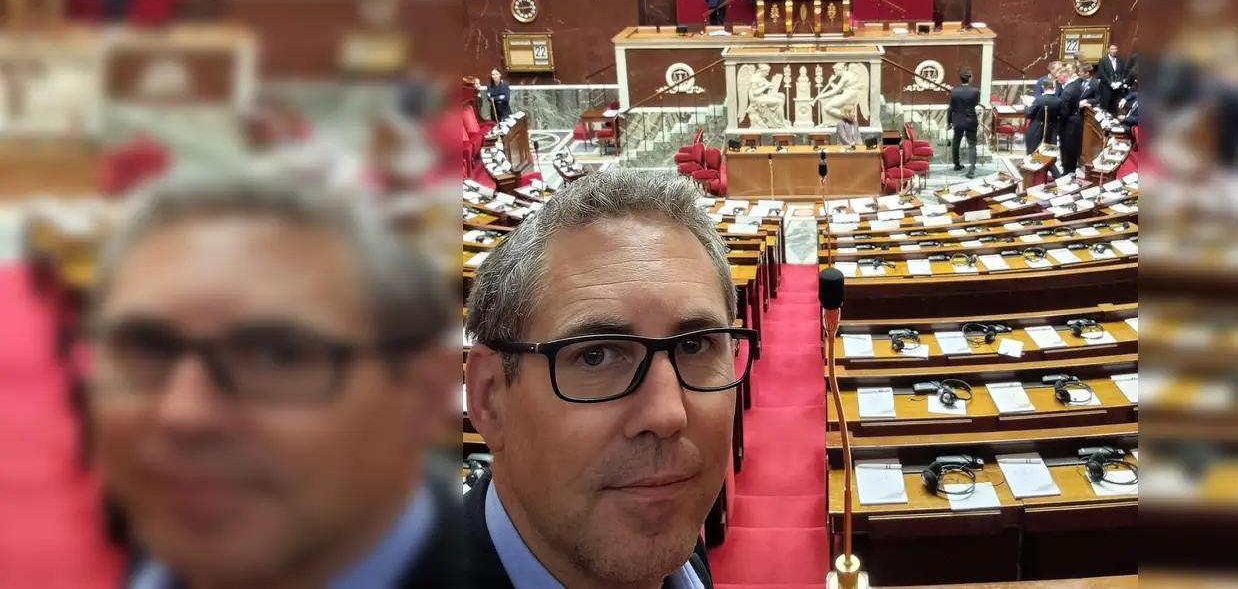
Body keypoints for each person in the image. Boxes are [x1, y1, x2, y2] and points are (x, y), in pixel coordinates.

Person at [91, 169, 462, 589]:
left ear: (427, 395)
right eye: (146, 348)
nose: (183, 414)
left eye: (278, 356)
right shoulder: (182, 524)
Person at [464, 170, 750, 588]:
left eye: (694, 346)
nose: (668, 414)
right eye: (595, 356)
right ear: (490, 398)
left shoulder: (680, 549)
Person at [946, 68, 980, 177]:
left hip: (958, 121)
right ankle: (972, 168)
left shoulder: (954, 91)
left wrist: (949, 122)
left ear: (960, 79)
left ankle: (957, 164)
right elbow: (975, 104)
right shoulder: (975, 91)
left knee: (956, 143)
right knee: (972, 145)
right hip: (971, 120)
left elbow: (951, 108)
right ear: (969, 79)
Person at [1023, 81, 1064, 156]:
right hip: (1052, 131)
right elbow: (1061, 114)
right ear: (1053, 87)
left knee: (1034, 154)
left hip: (1037, 130)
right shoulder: (1058, 101)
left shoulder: (1039, 100)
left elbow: (1028, 114)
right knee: (1048, 156)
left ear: (1043, 87)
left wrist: (1026, 105)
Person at [1097, 45, 1129, 109]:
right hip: (1106, 87)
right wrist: (1110, 83)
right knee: (1105, 106)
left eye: (1115, 49)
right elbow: (1102, 74)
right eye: (1112, 49)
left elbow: (1123, 72)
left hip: (1118, 88)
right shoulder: (1103, 60)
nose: (1114, 51)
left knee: (1115, 106)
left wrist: (1120, 82)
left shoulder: (1120, 60)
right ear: (1108, 50)